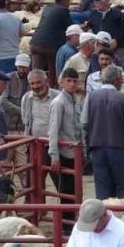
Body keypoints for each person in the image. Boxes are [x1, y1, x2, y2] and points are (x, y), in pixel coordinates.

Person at [84, 66, 124, 199]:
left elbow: (84, 122)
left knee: (102, 188)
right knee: (122, 187)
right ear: (117, 80)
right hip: (119, 147)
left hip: (97, 148)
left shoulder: (91, 97)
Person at [48, 69, 82, 209]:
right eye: (69, 81)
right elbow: (53, 130)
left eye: (75, 81)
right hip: (64, 153)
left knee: (74, 189)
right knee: (66, 192)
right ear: (62, 82)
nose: (72, 84)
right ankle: (65, 226)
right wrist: (54, 156)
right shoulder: (58, 103)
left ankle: (69, 223)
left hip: (74, 151)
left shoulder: (75, 100)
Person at [29, 0, 72, 81]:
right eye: (69, 1)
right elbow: (71, 27)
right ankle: (54, 88)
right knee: (55, 71)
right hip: (51, 46)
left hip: (35, 43)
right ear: (65, 1)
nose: (69, 3)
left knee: (36, 73)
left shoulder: (47, 8)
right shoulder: (63, 10)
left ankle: (32, 92)